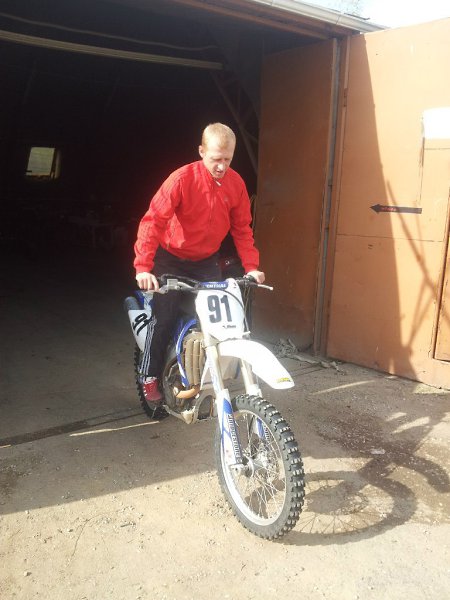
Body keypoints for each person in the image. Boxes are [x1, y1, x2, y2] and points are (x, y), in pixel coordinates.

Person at [133, 122, 265, 404]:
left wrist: (252, 267)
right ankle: (149, 375)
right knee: (164, 316)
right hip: (170, 259)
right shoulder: (181, 179)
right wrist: (143, 267)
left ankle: (201, 373)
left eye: (227, 159)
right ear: (202, 151)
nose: (221, 166)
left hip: (206, 261)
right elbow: (152, 221)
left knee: (218, 321)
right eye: (216, 158)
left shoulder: (236, 184)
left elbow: (242, 228)